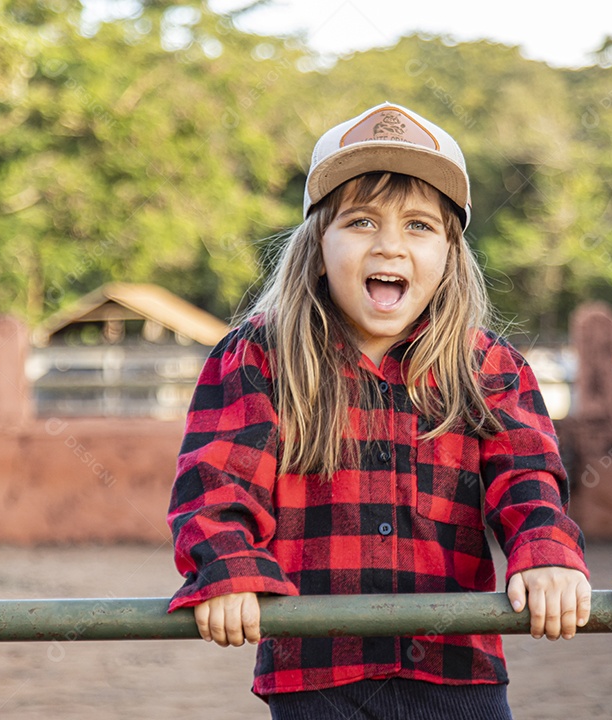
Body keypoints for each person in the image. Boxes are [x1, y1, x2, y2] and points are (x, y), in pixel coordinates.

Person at [167, 101, 590, 719]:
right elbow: (216, 484)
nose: (390, 245)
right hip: (318, 676)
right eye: (361, 222)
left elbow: (529, 481)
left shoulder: (489, 368)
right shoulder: (260, 358)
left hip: (456, 674)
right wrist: (228, 565)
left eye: (419, 226)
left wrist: (547, 551)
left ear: (450, 254)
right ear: (317, 244)